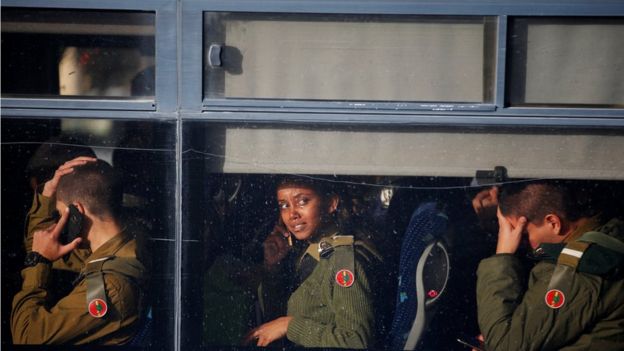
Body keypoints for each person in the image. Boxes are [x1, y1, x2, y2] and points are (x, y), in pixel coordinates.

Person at [11, 157, 148, 345]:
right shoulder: (122, 246)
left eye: (60, 214)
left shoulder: (110, 288)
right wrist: (48, 193)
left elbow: (27, 336)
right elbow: (38, 244)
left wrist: (38, 262)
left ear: (77, 213)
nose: (60, 222)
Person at [476, 180, 624, 350]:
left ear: (553, 223)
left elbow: (505, 346)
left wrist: (503, 256)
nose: (519, 243)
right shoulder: (609, 232)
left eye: (524, 234)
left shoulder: (576, 272)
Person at [244, 176, 383, 348]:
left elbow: (356, 341)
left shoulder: (344, 261)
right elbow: (277, 322)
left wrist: (290, 326)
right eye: (284, 205)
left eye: (302, 201)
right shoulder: (310, 253)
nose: (292, 215)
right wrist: (273, 268)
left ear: (331, 203)